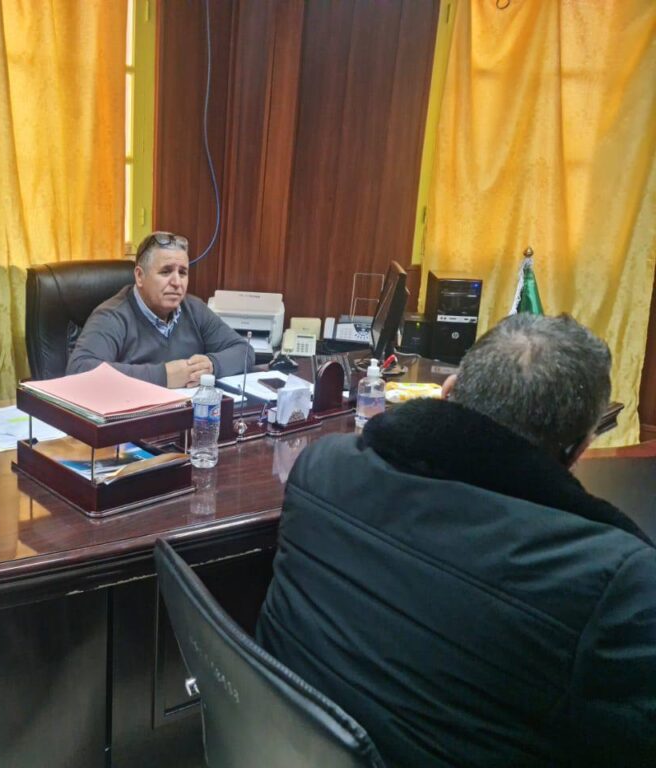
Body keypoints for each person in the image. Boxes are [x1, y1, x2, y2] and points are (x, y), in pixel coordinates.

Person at [256, 313, 655, 767]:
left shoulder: (322, 466)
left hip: (272, 747)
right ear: (579, 450)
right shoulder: (618, 585)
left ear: (447, 393)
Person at [66, 231, 254, 387]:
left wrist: (212, 365)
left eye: (183, 272)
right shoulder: (112, 316)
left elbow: (244, 350)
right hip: (135, 417)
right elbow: (80, 371)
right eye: (166, 271)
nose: (177, 282)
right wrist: (164, 376)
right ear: (140, 276)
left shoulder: (194, 308)